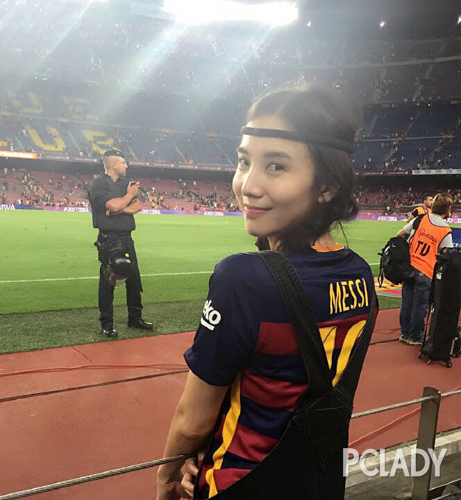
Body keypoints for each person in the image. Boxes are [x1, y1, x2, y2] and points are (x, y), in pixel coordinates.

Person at [156, 86, 375, 500]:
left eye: (276, 166)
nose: (247, 185)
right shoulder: (361, 274)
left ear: (327, 184)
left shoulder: (244, 279)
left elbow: (192, 420)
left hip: (241, 483)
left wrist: (166, 477)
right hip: (319, 480)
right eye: (244, 161)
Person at [88, 150, 153, 338]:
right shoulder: (98, 184)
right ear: (114, 164)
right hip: (108, 239)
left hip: (127, 238)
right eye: (123, 163)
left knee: (134, 280)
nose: (126, 166)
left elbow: (137, 207)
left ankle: (135, 318)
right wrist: (128, 197)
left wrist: (118, 209)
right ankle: (106, 324)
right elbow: (113, 205)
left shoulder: (126, 183)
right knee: (108, 281)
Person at [397, 193, 453, 345]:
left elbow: (400, 234)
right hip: (426, 270)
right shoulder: (445, 230)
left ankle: (404, 333)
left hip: (410, 267)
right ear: (447, 209)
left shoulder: (420, 219)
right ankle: (415, 337)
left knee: (407, 302)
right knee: (420, 306)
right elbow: (447, 255)